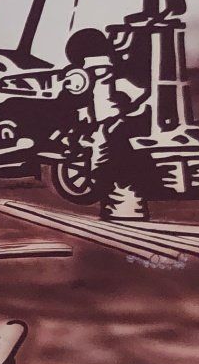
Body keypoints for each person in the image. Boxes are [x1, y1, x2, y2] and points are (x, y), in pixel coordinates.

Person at [63, 27, 150, 220]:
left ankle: (125, 214)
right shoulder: (107, 71)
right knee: (112, 172)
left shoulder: (88, 73)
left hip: (107, 125)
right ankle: (126, 213)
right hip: (108, 124)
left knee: (108, 170)